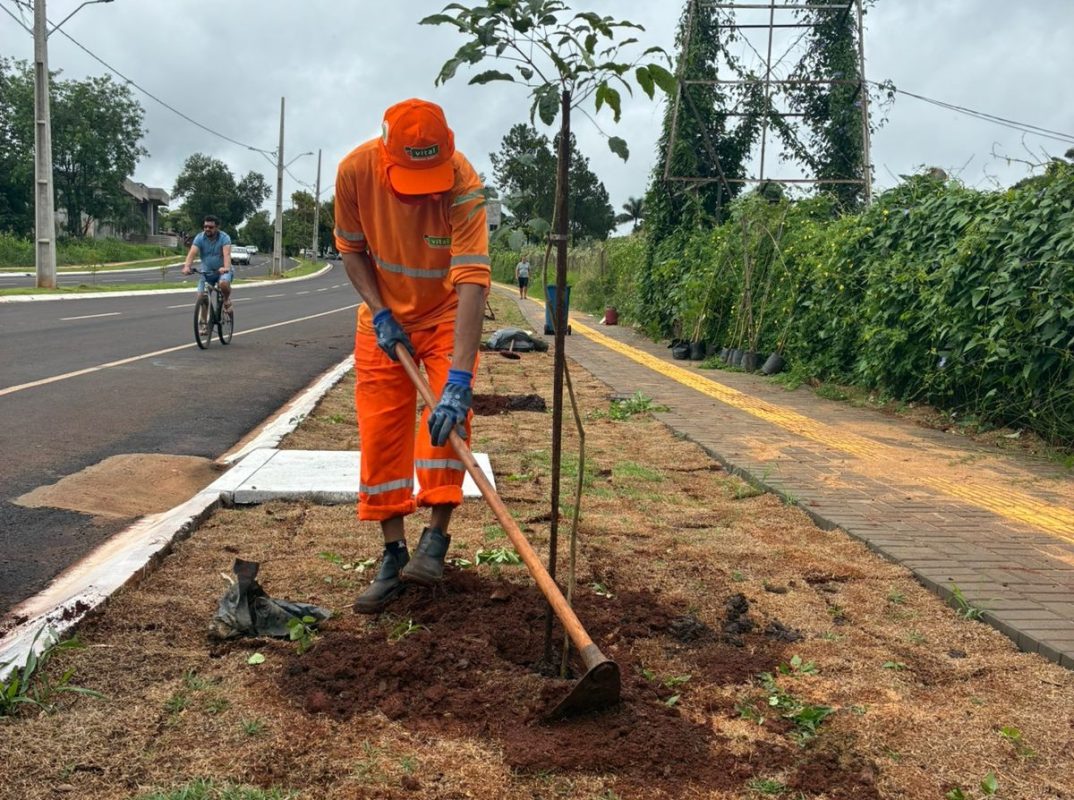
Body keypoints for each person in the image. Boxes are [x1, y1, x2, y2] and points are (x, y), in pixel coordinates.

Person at [334, 98, 491, 614]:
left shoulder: (463, 184)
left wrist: (460, 379)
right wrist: (380, 312)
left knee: (449, 422)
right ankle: (392, 554)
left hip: (446, 315)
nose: (425, 192)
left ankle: (435, 542)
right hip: (384, 320)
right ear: (387, 156)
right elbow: (351, 248)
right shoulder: (355, 172)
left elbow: (472, 280)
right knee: (381, 432)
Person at [181, 214, 233, 335]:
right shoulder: (200, 238)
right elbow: (192, 253)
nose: (207, 229)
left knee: (223, 283)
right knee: (202, 296)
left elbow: (227, 254)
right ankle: (204, 324)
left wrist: (226, 268)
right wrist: (187, 266)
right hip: (206, 272)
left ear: (217, 227)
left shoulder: (224, 237)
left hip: (222, 271)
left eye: (210, 227)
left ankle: (226, 300)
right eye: (205, 227)